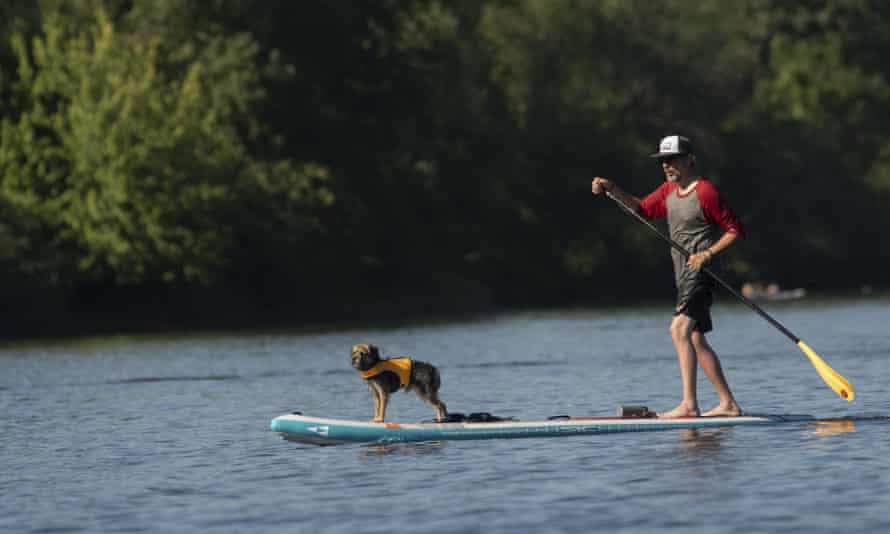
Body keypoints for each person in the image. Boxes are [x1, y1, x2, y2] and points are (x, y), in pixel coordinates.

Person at [591, 135, 744, 418]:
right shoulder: (668, 192)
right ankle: (728, 404)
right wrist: (612, 189)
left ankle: (689, 404)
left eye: (671, 160)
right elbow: (641, 210)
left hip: (703, 274)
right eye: (663, 161)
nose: (666, 166)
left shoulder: (706, 192)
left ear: (689, 159)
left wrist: (707, 254)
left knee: (678, 330)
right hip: (683, 276)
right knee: (695, 339)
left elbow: (735, 229)